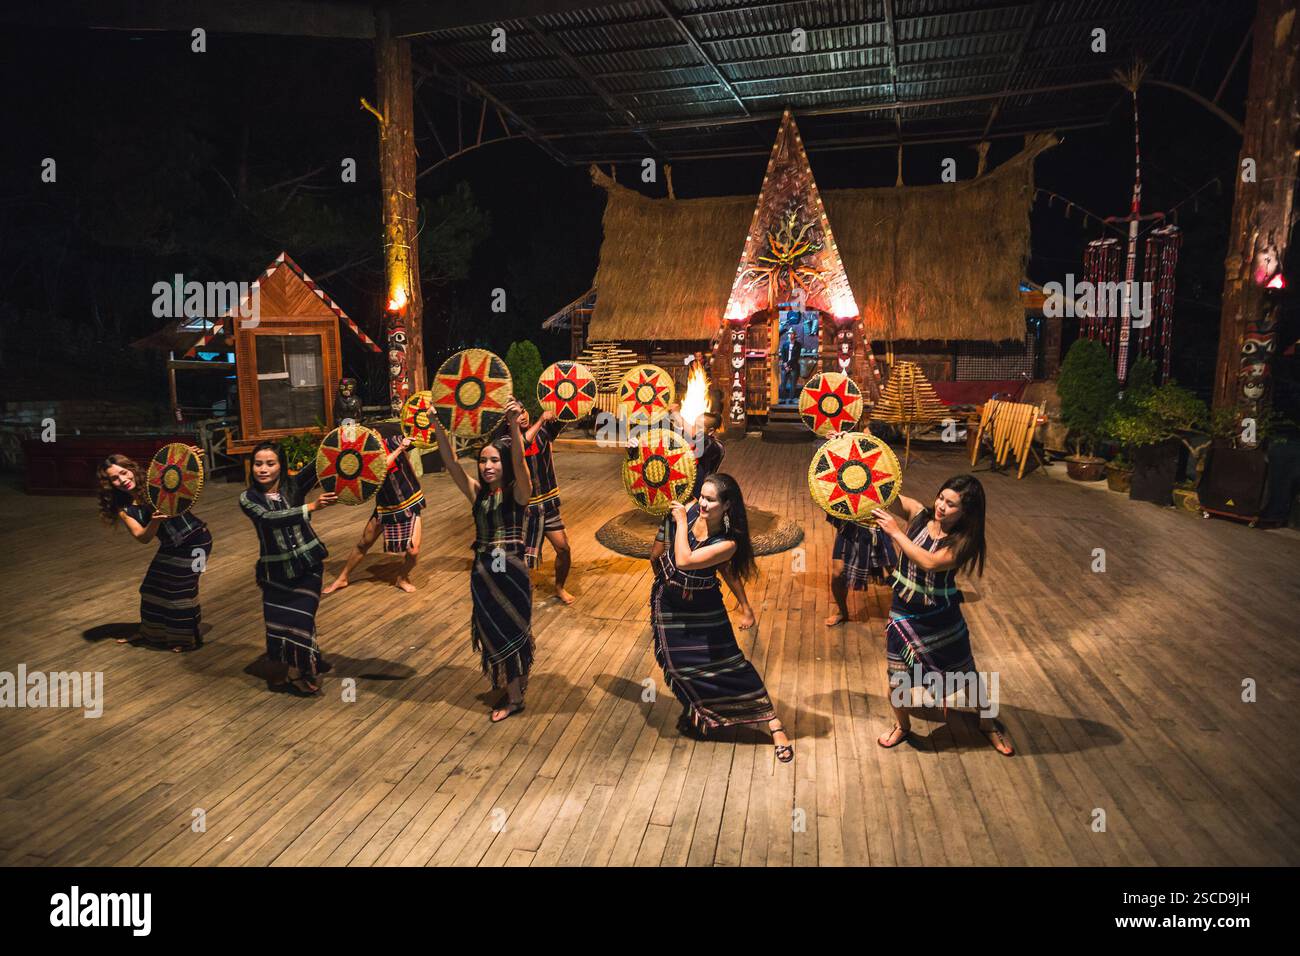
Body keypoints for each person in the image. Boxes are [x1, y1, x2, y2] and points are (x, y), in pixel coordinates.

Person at [649, 473, 792, 762]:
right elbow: (659, 552)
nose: (701, 503)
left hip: (704, 607)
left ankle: (773, 723)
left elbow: (685, 560)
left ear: (727, 506)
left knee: (730, 663)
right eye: (701, 496)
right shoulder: (688, 510)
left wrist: (744, 604)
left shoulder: (728, 543)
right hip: (669, 602)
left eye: (710, 500)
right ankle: (700, 710)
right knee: (679, 667)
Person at [870, 475, 1014, 756]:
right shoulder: (919, 514)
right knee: (896, 681)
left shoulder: (964, 541)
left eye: (951, 504)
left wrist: (895, 533)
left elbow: (929, 561)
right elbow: (884, 492)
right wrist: (850, 455)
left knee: (967, 677)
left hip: (940, 616)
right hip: (904, 615)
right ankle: (902, 726)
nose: (941, 506)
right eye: (941, 498)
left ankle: (987, 724)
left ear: (966, 512)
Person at [432, 399, 534, 722]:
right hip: (483, 573)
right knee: (492, 631)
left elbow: (521, 464)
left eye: (493, 461)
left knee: (511, 630)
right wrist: (437, 424)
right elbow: (450, 464)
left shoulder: (519, 493)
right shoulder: (478, 493)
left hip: (511, 574)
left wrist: (515, 427)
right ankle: (515, 686)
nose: (487, 466)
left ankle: (514, 697)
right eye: (482, 461)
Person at [239, 442, 338, 696]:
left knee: (302, 619)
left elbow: (323, 461)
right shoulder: (249, 498)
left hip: (309, 564)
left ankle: (296, 671)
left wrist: (349, 437)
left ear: (280, 466)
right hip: (277, 573)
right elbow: (267, 519)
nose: (263, 469)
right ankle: (300, 666)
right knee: (285, 622)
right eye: (258, 463)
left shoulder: (293, 486)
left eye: (270, 463)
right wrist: (310, 507)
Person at [97, 453, 213, 652]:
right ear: (109, 483)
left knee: (183, 590)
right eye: (115, 478)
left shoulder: (154, 483)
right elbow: (142, 537)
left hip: (198, 541)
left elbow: (179, 473)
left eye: (124, 473)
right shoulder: (124, 508)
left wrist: (191, 457)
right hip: (171, 546)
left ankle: (185, 638)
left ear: (132, 469)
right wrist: (155, 521)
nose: (123, 480)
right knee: (151, 588)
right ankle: (150, 633)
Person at [668, 405, 757, 629]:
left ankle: (745, 607)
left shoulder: (713, 447)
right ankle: (672, 592)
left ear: (709, 432)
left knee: (724, 567)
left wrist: (677, 414)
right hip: (683, 506)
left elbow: (688, 432)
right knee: (658, 556)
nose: (693, 428)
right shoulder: (693, 442)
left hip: (702, 510)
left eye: (699, 426)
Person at [490, 405, 574, 604]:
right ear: (508, 420)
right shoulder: (505, 442)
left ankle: (559, 587)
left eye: (524, 410)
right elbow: (524, 445)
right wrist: (541, 420)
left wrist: (576, 387)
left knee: (563, 548)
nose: (522, 415)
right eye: (516, 414)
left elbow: (569, 413)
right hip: (522, 509)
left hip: (547, 503)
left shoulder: (544, 432)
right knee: (521, 557)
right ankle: (510, 589)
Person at [324, 433, 424, 594]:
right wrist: (399, 450)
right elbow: (379, 469)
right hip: (386, 507)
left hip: (409, 500)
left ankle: (402, 578)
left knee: (413, 551)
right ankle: (342, 578)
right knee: (364, 542)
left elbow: (416, 439)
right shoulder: (363, 459)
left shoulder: (391, 441)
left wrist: (411, 437)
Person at [823, 429, 897, 627]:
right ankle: (842, 611)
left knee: (894, 573)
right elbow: (835, 464)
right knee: (838, 574)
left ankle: (907, 611)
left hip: (876, 526)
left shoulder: (887, 466)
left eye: (866, 435)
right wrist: (837, 443)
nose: (859, 437)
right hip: (850, 524)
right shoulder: (855, 459)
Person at [779, 327, 802, 402]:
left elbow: (796, 357)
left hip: (793, 366)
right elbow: (783, 355)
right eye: (789, 334)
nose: (790, 335)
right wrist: (785, 364)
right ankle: (782, 398)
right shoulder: (785, 344)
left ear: (794, 335)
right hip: (785, 366)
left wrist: (788, 364)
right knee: (783, 383)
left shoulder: (798, 345)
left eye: (791, 334)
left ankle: (791, 398)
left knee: (793, 383)